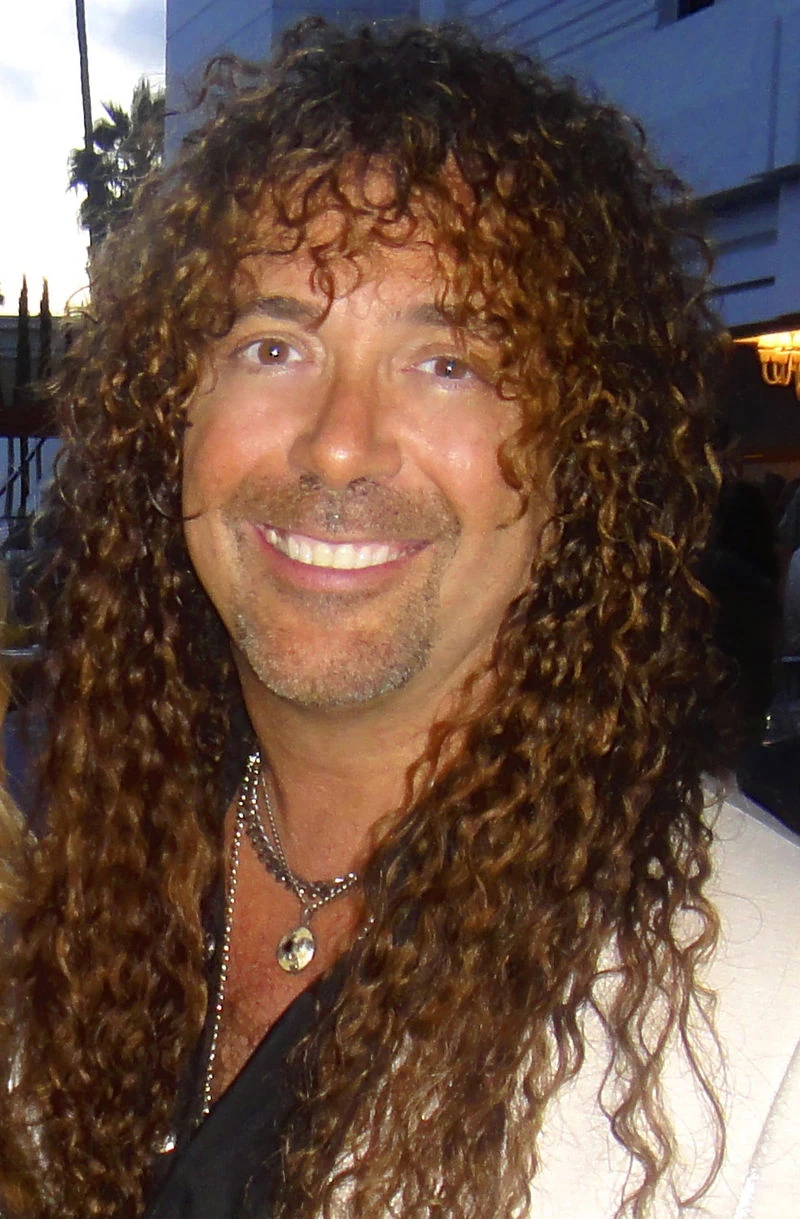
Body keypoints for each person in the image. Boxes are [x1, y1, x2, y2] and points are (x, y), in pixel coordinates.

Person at [1, 19, 798, 1219]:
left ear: (582, 451)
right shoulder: (72, 866)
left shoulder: (763, 1024)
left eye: (447, 363)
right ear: (172, 413)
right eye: (273, 344)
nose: (337, 443)